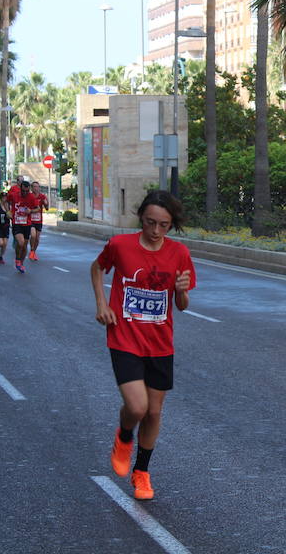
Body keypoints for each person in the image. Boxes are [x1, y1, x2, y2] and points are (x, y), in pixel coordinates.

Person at [90, 190, 196, 501]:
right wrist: (101, 303)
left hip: (160, 343)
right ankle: (124, 436)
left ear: (171, 225)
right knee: (137, 407)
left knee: (154, 413)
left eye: (163, 225)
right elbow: (97, 268)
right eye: (150, 222)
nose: (155, 231)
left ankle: (142, 471)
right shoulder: (121, 246)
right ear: (141, 218)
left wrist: (181, 291)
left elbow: (183, 305)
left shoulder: (179, 254)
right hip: (124, 336)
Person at [6, 179, 40, 273]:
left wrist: (31, 211)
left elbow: (38, 208)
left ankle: (21, 263)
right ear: (20, 189)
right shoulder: (14, 195)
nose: (25, 193)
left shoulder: (31, 197)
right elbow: (5, 201)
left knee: (25, 246)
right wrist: (8, 211)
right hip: (16, 223)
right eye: (23, 191)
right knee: (20, 242)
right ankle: (17, 260)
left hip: (27, 224)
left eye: (27, 191)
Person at [28, 181, 49, 261]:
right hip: (30, 220)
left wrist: (46, 204)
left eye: (37, 187)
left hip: (39, 220)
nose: (36, 188)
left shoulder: (42, 196)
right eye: (34, 186)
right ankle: (31, 250)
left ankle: (33, 252)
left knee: (37, 238)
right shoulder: (29, 196)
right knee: (33, 235)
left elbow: (47, 208)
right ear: (31, 188)